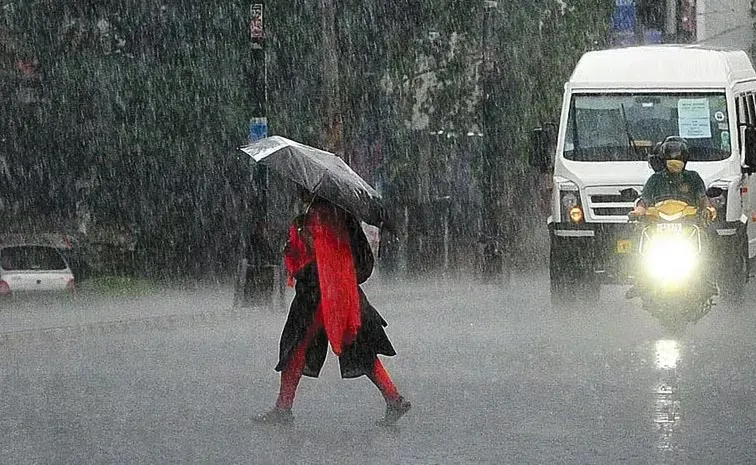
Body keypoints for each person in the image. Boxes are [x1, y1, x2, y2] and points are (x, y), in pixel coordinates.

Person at [254, 191, 411, 426]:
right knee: (359, 347)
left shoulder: (322, 213)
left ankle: (283, 408)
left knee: (296, 346)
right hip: (342, 290)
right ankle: (393, 397)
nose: (297, 190)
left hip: (320, 293)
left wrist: (304, 236)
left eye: (300, 187)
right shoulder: (339, 212)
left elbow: (324, 252)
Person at [626, 136, 717, 299]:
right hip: (658, 225)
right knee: (638, 240)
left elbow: (703, 199)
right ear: (663, 158)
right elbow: (644, 200)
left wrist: (707, 210)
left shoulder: (693, 178)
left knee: (708, 238)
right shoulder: (655, 179)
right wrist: (638, 212)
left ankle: (707, 279)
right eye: (671, 156)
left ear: (686, 158)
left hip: (687, 223)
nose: (675, 160)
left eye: (679, 156)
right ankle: (641, 280)